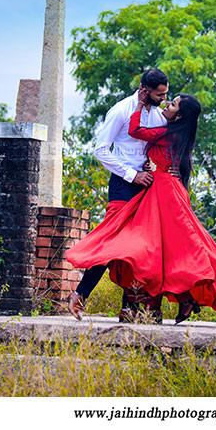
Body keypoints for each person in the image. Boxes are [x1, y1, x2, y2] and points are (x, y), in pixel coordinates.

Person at [67, 88, 216, 324]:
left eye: (171, 103)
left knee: (164, 249)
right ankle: (181, 299)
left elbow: (136, 131)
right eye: (164, 98)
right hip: (154, 188)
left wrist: (140, 107)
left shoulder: (167, 131)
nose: (166, 103)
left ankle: (155, 303)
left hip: (162, 191)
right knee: (164, 249)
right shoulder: (166, 127)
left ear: (179, 116)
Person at [66, 69, 170, 320]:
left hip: (147, 186)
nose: (163, 99)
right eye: (160, 95)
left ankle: (129, 308)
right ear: (145, 89)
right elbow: (100, 150)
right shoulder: (122, 110)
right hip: (123, 185)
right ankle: (79, 294)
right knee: (113, 243)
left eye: (166, 94)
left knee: (136, 249)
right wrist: (132, 174)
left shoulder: (159, 115)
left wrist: (149, 166)